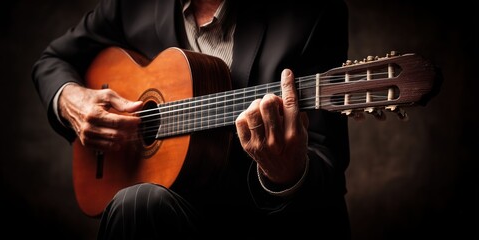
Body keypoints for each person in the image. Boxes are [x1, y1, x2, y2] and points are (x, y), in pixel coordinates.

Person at [32, 0, 351, 239]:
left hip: (259, 222)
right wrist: (71, 98)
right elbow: (53, 60)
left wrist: (287, 172)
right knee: (140, 203)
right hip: (162, 217)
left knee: (139, 203)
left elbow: (327, 165)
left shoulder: (311, 12)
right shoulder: (132, 5)